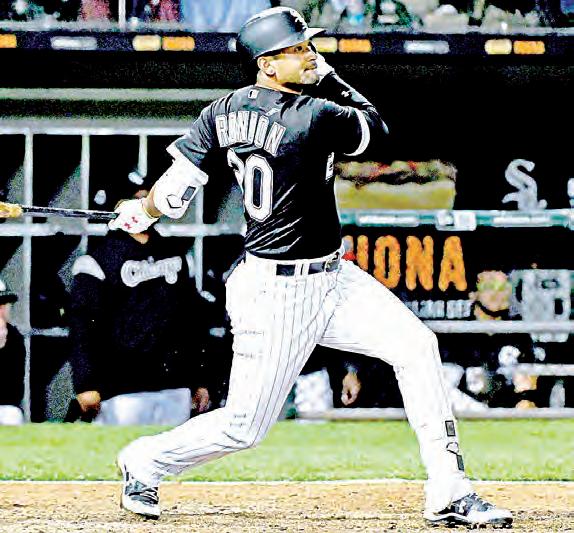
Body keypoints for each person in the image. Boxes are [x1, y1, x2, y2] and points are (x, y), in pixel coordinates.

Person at [110, 7, 512, 527]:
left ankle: (449, 491)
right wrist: (332, 77)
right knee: (244, 428)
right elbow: (376, 128)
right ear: (267, 64)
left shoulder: (221, 111)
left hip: (332, 278)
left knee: (417, 347)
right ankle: (144, 460)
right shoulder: (314, 115)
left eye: (308, 47)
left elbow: (174, 191)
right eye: (297, 50)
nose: (310, 56)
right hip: (278, 293)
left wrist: (141, 212)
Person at [67, 189, 215, 425]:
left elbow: (192, 320)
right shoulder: (98, 259)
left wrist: (201, 378)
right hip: (121, 388)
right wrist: (86, 384)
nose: (142, 207)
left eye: (147, 201)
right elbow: (83, 327)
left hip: (174, 384)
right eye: (135, 201)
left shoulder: (175, 253)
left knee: (175, 446)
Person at [0, 278, 26, 425]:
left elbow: (14, 390)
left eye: (3, 304)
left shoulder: (14, 337)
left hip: (5, 406)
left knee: (12, 416)